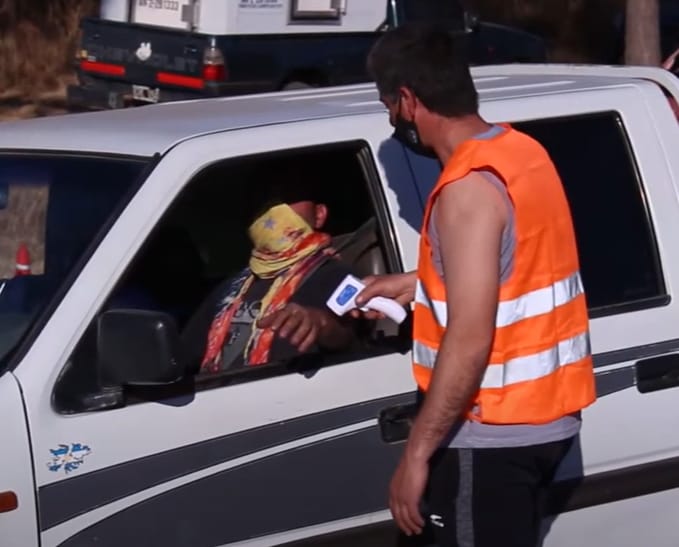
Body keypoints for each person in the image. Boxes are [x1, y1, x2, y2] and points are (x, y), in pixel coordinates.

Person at [358, 23, 597, 546]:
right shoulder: (523, 154)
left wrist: (416, 454)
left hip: (489, 436)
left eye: (388, 106)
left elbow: (469, 338)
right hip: (549, 419)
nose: (392, 119)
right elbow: (517, 266)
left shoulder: (465, 192)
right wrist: (417, 285)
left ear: (408, 100)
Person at [181, 166, 359, 374]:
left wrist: (320, 323)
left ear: (319, 215)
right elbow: (183, 358)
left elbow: (351, 338)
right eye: (264, 200)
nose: (275, 209)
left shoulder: (336, 275)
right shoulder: (230, 288)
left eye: (289, 197)